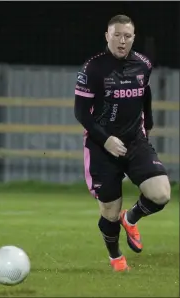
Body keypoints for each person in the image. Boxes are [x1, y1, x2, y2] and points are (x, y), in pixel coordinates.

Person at [74, 15, 171, 271]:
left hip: (134, 140)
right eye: (117, 35)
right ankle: (116, 257)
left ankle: (131, 218)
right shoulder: (93, 68)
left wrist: (147, 125)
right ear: (107, 36)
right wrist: (105, 141)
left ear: (133, 38)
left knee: (161, 194)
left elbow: (145, 92)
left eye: (127, 36)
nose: (122, 41)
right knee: (108, 211)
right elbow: (81, 113)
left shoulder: (143, 64)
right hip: (101, 145)